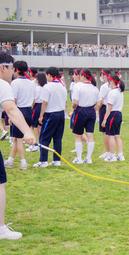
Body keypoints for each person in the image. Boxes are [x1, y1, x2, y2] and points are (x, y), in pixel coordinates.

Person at [0, 51, 35, 240]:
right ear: (3, 67)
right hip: (26, 114)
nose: (12, 72)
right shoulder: (3, 85)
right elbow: (11, 109)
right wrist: (28, 132)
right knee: (0, 184)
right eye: (11, 68)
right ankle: (0, 228)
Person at [33, 67, 67, 167]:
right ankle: (57, 160)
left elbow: (45, 102)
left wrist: (41, 116)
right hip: (60, 114)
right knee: (58, 138)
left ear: (49, 75)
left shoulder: (47, 87)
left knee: (44, 137)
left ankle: (43, 161)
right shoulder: (62, 86)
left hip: (51, 114)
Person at [4, 61, 35, 170]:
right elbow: (33, 100)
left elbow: (14, 100)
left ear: (16, 70)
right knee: (17, 139)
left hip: (19, 111)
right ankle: (10, 160)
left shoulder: (15, 83)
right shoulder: (31, 83)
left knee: (18, 139)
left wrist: (11, 117)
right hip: (28, 111)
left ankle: (23, 162)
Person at [71, 69, 99, 164]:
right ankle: (89, 158)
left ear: (83, 76)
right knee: (90, 135)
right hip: (91, 111)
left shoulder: (78, 86)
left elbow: (75, 102)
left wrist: (73, 109)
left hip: (81, 111)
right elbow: (97, 103)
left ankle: (79, 158)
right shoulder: (95, 88)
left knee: (78, 135)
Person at [101, 71, 125, 162]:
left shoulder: (112, 92)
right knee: (117, 136)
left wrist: (104, 119)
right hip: (119, 114)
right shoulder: (120, 91)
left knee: (111, 135)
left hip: (113, 115)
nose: (109, 83)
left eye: (110, 81)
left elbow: (109, 108)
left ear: (113, 82)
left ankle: (112, 155)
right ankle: (120, 155)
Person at [28, 73, 47, 152]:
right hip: (45, 108)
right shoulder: (46, 88)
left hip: (37, 107)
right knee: (41, 127)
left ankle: (36, 144)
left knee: (34, 127)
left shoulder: (37, 88)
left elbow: (34, 100)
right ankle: (41, 144)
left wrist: (31, 108)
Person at [97, 69, 112, 160]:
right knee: (109, 132)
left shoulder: (104, 86)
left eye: (103, 75)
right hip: (111, 109)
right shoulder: (114, 85)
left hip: (104, 108)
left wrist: (96, 108)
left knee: (105, 132)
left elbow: (101, 100)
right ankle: (108, 151)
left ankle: (108, 152)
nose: (102, 76)